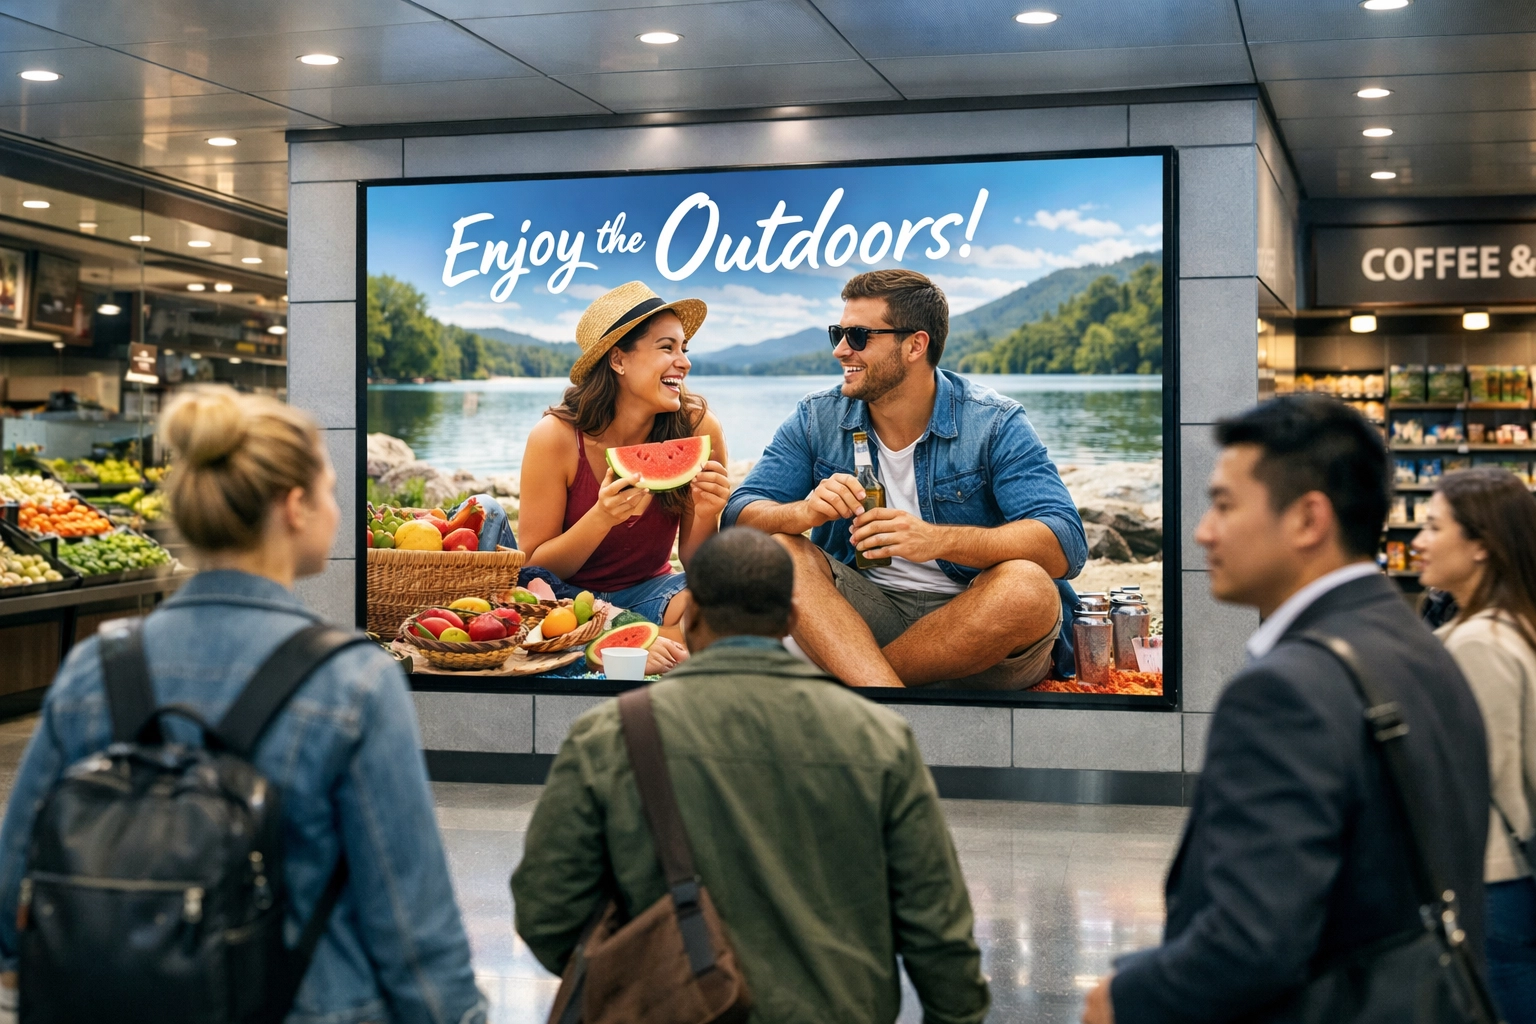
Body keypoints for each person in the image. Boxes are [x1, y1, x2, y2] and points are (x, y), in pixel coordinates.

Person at [0, 386, 485, 1024]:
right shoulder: (353, 683)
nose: (336, 509)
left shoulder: (96, 668)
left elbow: (14, 888)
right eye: (329, 490)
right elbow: (410, 920)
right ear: (293, 507)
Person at [1084, 395, 1490, 1024]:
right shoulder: (1422, 647)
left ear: (1307, 519)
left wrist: (1125, 997)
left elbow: (1251, 943)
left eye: (1225, 505)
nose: (1204, 532)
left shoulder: (1284, 690)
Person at [511, 527, 990, 1024]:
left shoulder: (612, 736)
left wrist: (637, 975)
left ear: (692, 617)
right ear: (791, 620)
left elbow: (545, 910)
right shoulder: (879, 738)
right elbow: (938, 926)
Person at [725, 269, 1086, 689]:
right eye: (837, 334)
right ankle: (886, 694)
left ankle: (862, 687)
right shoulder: (816, 417)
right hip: (861, 619)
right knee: (779, 552)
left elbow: (1065, 542)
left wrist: (936, 541)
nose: (840, 350)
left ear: (915, 345)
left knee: (1028, 588)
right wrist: (803, 512)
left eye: (858, 336)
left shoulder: (993, 422)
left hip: (980, 629)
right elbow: (737, 517)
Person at [519, 281, 731, 667]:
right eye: (667, 347)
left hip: (652, 592)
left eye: (684, 349)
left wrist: (705, 513)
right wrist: (601, 518)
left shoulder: (700, 429)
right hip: (563, 599)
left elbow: (697, 566)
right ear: (618, 359)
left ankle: (613, 645)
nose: (684, 362)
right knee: (531, 600)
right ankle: (626, 641)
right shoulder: (555, 438)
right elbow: (535, 568)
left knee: (725, 602)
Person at [1414, 467, 1536, 1023]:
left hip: (1494, 879)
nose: (1419, 541)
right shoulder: (1512, 625)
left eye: (1434, 527)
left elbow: (1473, 781)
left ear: (1481, 544)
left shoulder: (1479, 644)